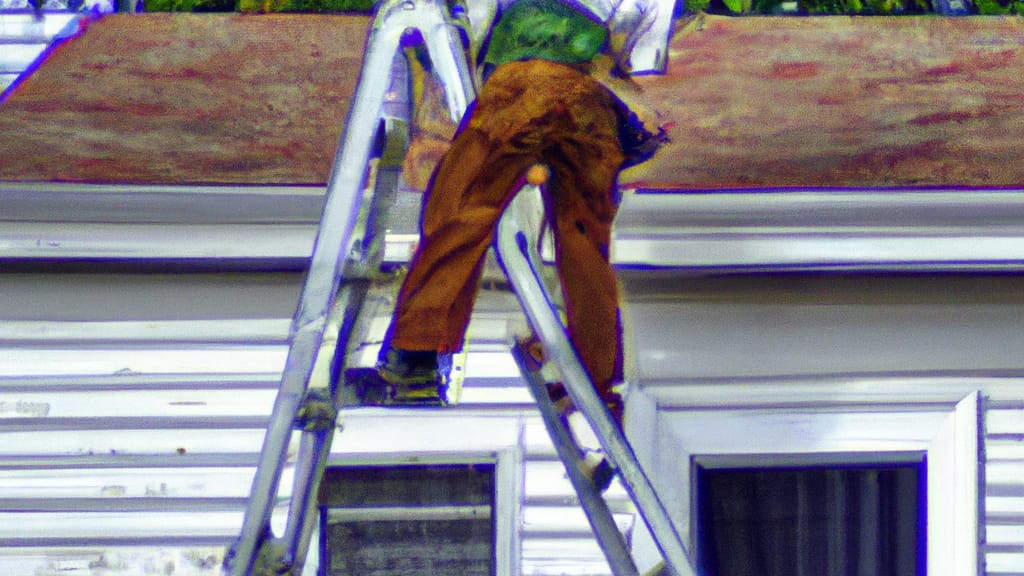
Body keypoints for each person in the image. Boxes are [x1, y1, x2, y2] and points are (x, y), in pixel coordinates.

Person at [370, 0, 667, 449]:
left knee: (463, 205)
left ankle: (417, 350)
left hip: (525, 85)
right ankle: (597, 389)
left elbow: (469, 23)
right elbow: (637, 67)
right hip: (593, 105)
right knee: (586, 245)